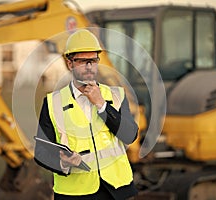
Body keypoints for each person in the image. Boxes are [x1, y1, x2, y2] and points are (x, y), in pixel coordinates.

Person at [34, 29, 139, 200]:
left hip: (117, 190)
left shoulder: (116, 96)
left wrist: (101, 104)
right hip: (75, 193)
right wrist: (62, 162)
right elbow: (41, 152)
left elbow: (129, 135)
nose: (89, 67)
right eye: (83, 61)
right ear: (70, 64)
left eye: (93, 60)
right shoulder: (53, 103)